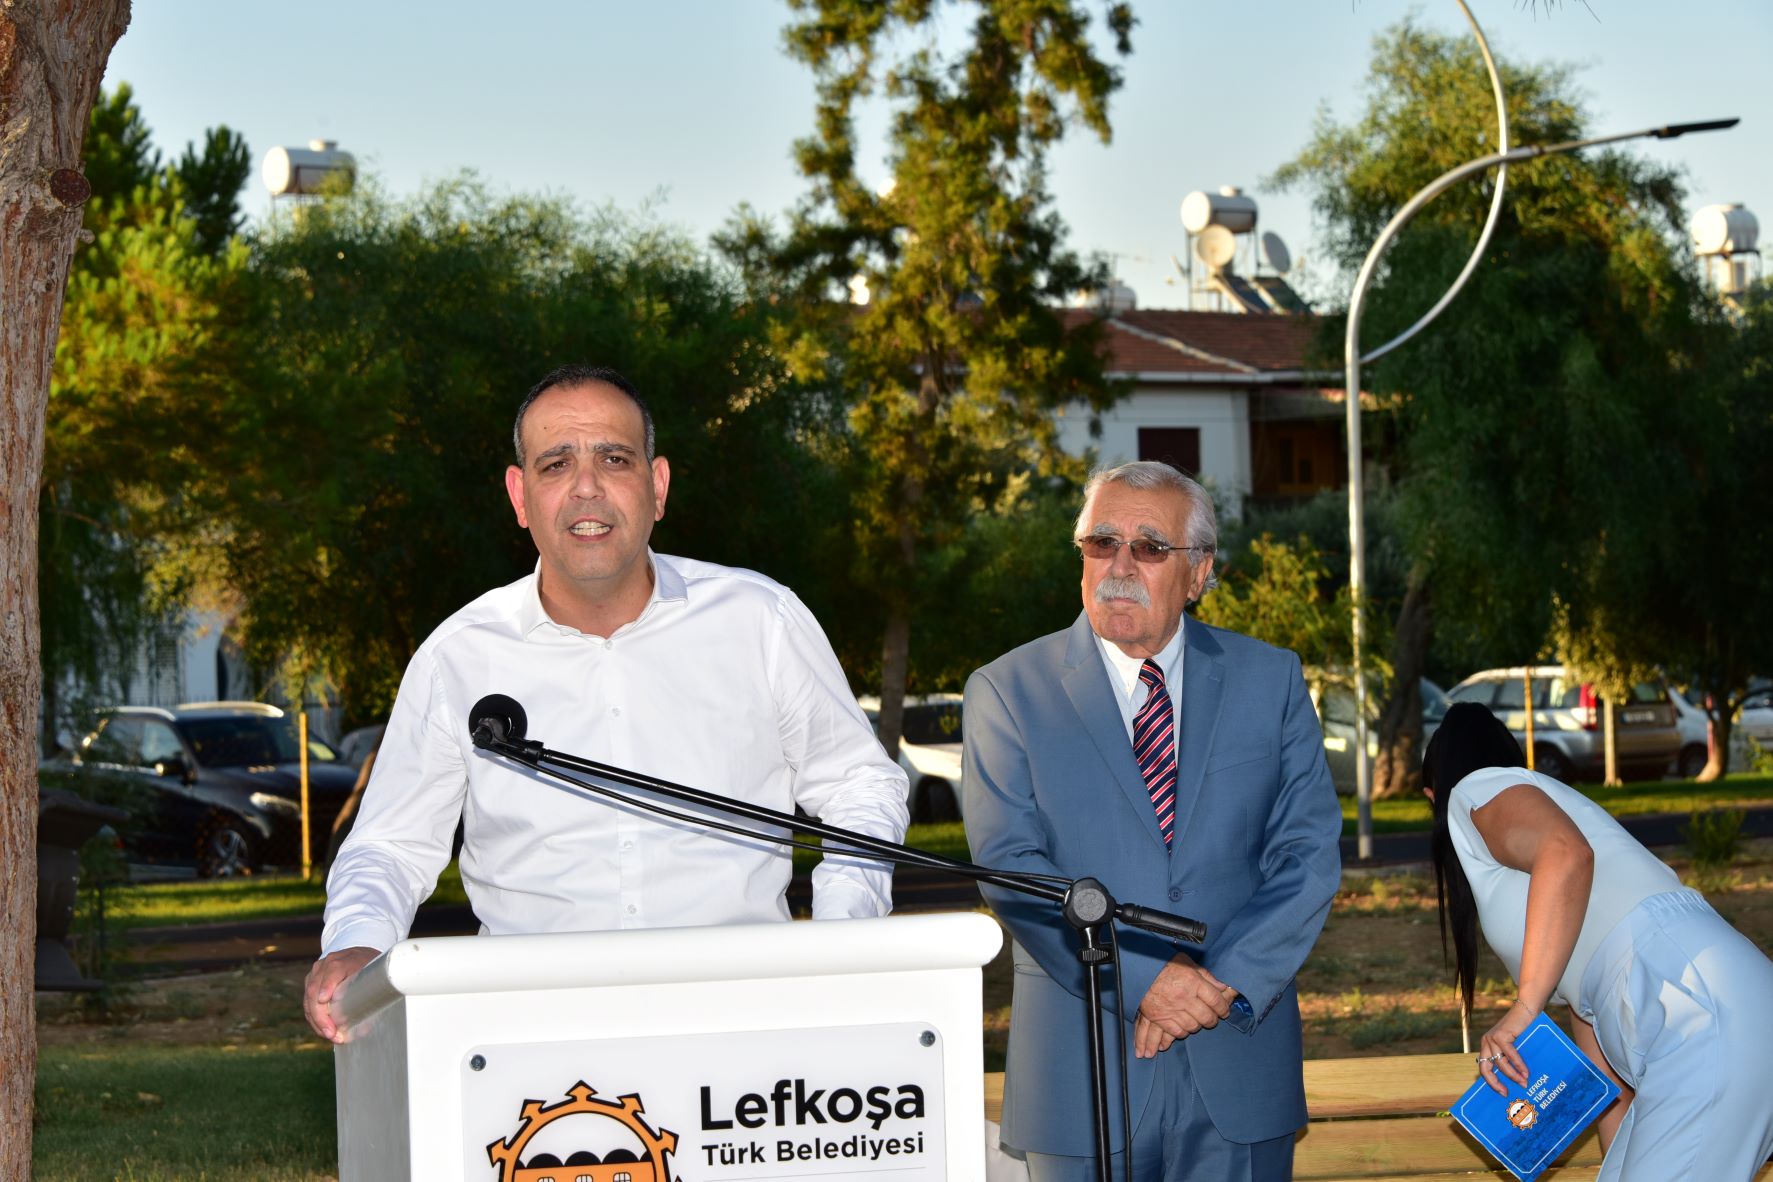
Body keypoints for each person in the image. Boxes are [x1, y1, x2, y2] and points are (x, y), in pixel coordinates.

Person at [303, 365, 909, 1041]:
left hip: (742, 1027)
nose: (586, 487)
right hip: (528, 1041)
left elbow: (859, 786)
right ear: (520, 496)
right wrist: (355, 942)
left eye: (614, 459)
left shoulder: (761, 621)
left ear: (657, 486)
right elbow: (390, 846)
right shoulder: (458, 657)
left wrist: (842, 936)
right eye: (556, 464)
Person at [962, 460, 1342, 1181]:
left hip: (1237, 1054)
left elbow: (1307, 854)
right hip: (1080, 1072)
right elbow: (1011, 871)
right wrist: (1144, 979)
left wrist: (1217, 986)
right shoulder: (1007, 692)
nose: (1120, 565)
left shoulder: (1271, 680)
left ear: (1198, 573)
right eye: (1101, 542)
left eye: (1149, 547)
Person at [1425, 701, 1773, 1179]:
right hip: (1706, 1007)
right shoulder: (1555, 833)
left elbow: (1566, 853)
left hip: (1696, 1013)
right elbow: (1606, 1079)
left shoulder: (1477, 789)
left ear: (1433, 795)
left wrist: (1526, 1007)